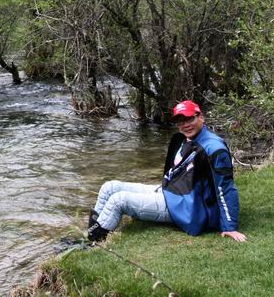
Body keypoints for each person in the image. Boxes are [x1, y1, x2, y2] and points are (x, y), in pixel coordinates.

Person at [86, 100, 247, 242]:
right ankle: (89, 234)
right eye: (180, 121)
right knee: (109, 187)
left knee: (119, 201)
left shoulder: (214, 149)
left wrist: (229, 226)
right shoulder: (188, 139)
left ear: (201, 117)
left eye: (189, 118)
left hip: (186, 207)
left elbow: (226, 188)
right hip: (170, 193)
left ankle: (95, 242)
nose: (185, 124)